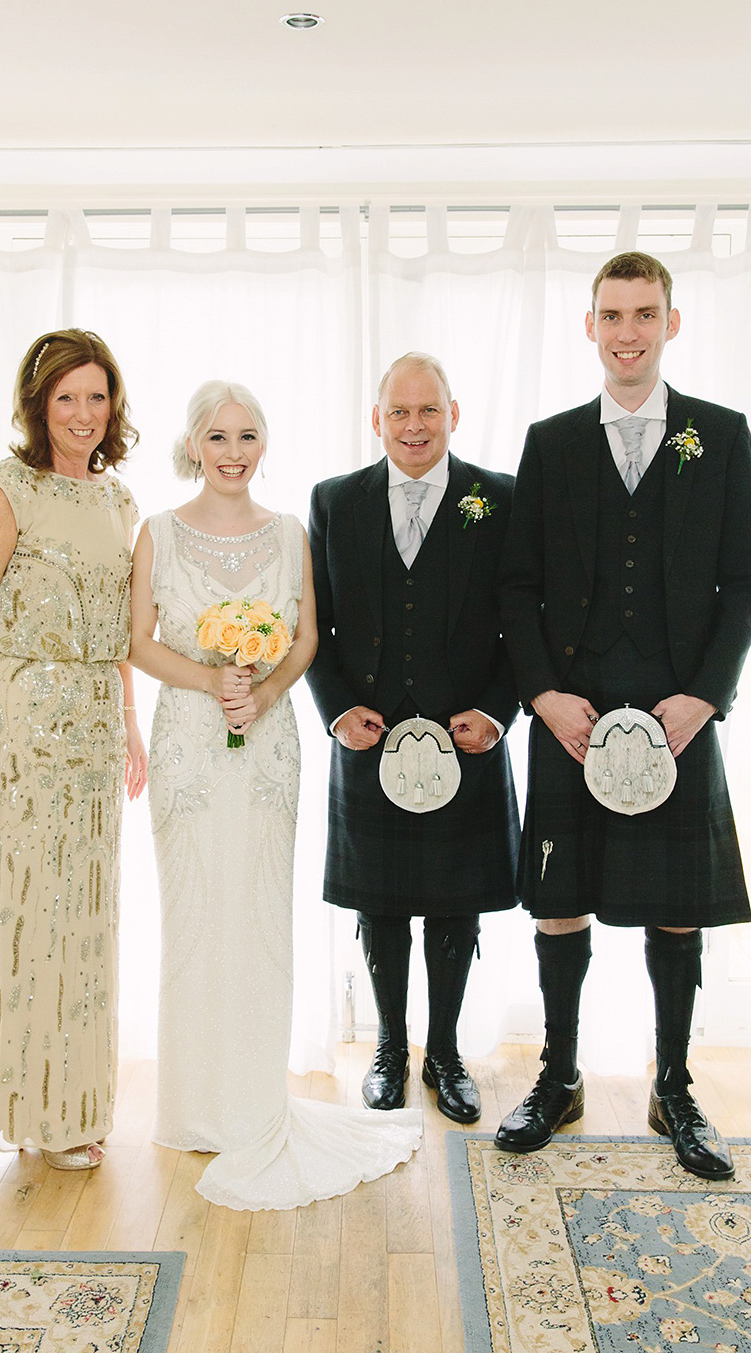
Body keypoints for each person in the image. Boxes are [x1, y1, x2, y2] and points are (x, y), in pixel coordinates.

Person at [496, 252, 751, 1179]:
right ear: (590, 326)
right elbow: (518, 584)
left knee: (677, 912)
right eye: (612, 314)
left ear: (671, 323)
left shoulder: (721, 437)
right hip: (569, 718)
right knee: (561, 903)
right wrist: (540, 694)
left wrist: (705, 695)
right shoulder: (551, 442)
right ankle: (559, 1075)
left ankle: (676, 1086)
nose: (627, 332)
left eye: (644, 314)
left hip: (679, 717)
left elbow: (750, 582)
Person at [130, 380, 421, 1211]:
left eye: (246, 436)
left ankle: (254, 1103)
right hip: (190, 744)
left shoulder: (289, 532)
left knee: (256, 915)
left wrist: (259, 695)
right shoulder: (156, 533)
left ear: (264, 445)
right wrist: (214, 681)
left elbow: (306, 638)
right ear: (193, 445)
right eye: (216, 438)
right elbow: (137, 643)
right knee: (193, 915)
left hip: (265, 748)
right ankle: (193, 1107)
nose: (232, 452)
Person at [0, 329, 147, 1171]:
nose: (84, 414)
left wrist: (129, 719)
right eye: (67, 398)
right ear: (39, 405)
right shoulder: (7, 490)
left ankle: (78, 1104)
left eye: (96, 397)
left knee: (86, 916)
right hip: (22, 721)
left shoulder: (120, 502)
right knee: (28, 915)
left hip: (96, 721)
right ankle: (33, 1112)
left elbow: (123, 634)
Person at [306, 353, 521, 1124]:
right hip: (369, 742)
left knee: (455, 906)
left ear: (453, 414)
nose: (414, 425)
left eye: (428, 410)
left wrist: (496, 712)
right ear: (377, 419)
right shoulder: (334, 501)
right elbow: (315, 625)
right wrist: (336, 710)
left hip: (465, 745)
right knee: (382, 905)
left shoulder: (497, 500)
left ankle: (447, 1052)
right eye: (399, 412)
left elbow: (521, 625)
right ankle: (390, 1048)